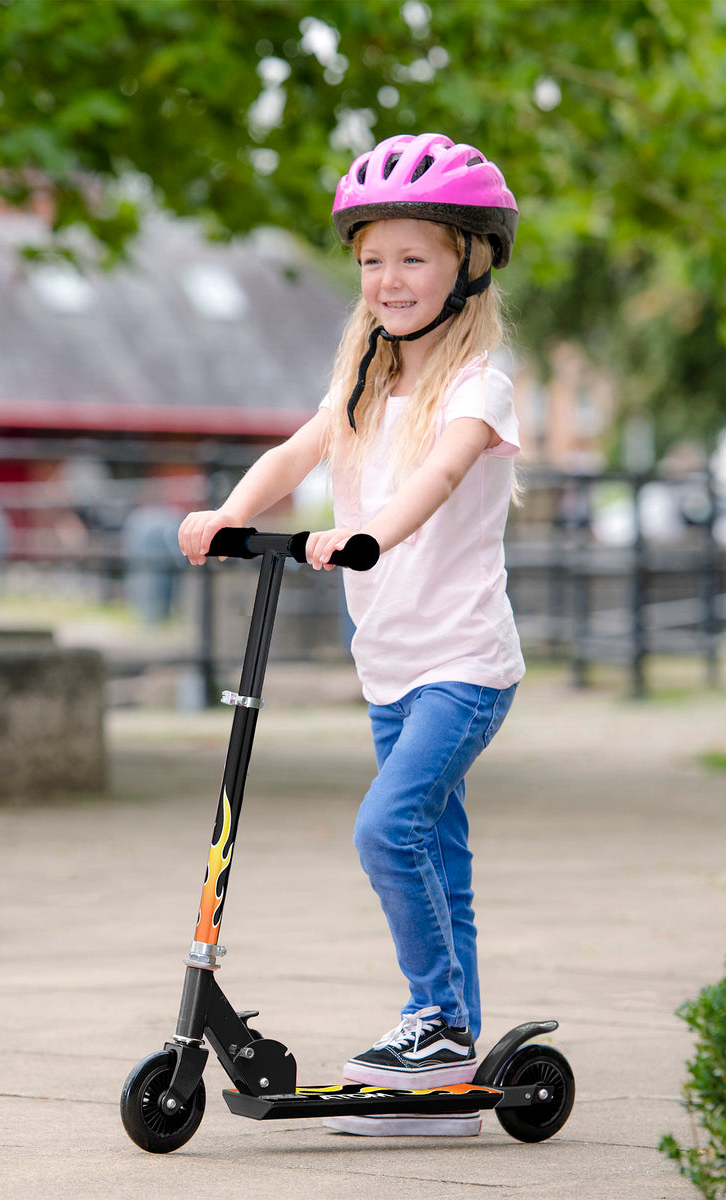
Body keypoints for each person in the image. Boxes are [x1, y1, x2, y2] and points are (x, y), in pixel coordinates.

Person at [178, 132, 525, 1138]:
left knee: (388, 830)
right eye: (373, 259)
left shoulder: (478, 387)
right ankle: (447, 1070)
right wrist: (223, 515)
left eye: (413, 256)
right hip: (392, 671)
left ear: (469, 261)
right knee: (438, 858)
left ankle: (434, 1027)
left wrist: (368, 531)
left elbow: (438, 478)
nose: (389, 278)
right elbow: (294, 455)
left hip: (464, 668)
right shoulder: (364, 385)